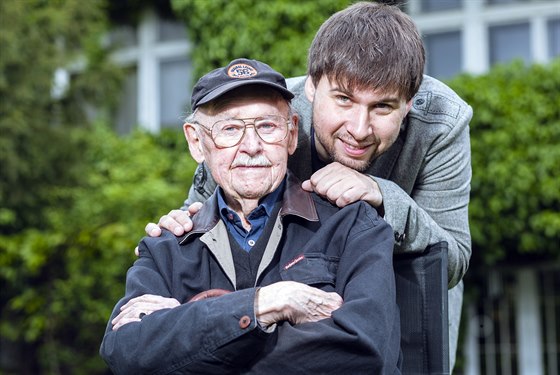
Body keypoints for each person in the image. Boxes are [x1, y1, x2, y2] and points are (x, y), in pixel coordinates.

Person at [147, 2, 472, 369]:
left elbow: (453, 260)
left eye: (382, 107)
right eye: (344, 100)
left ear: (409, 103)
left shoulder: (443, 123)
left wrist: (384, 196)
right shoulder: (268, 119)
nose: (359, 128)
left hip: (405, 285)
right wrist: (179, 227)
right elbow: (203, 225)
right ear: (313, 86)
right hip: (291, 299)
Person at [100, 58, 402, 374]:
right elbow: (126, 352)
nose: (252, 146)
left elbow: (365, 352)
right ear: (196, 142)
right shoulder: (166, 249)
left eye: (267, 126)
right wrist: (266, 303)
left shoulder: (355, 226)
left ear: (291, 134)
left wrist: (194, 331)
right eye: (229, 129)